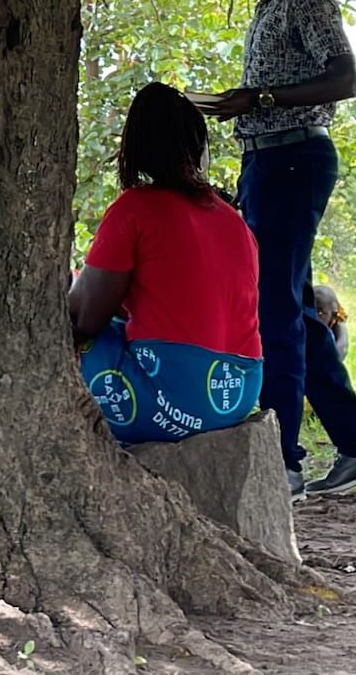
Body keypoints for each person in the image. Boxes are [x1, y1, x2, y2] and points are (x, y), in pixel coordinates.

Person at [197, 0, 356, 500]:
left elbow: (344, 81)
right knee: (296, 310)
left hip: (291, 157)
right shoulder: (273, 0)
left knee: (274, 310)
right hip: (270, 158)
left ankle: (282, 463)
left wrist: (257, 100)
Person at [68, 84, 262, 445]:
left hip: (172, 403)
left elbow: (86, 319)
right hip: (236, 396)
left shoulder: (134, 209)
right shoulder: (233, 220)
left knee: (74, 339)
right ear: (201, 150)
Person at [314, 284, 349, 361]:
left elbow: (336, 357)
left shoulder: (326, 337)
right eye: (311, 309)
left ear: (333, 316)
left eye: (320, 313)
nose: (314, 316)